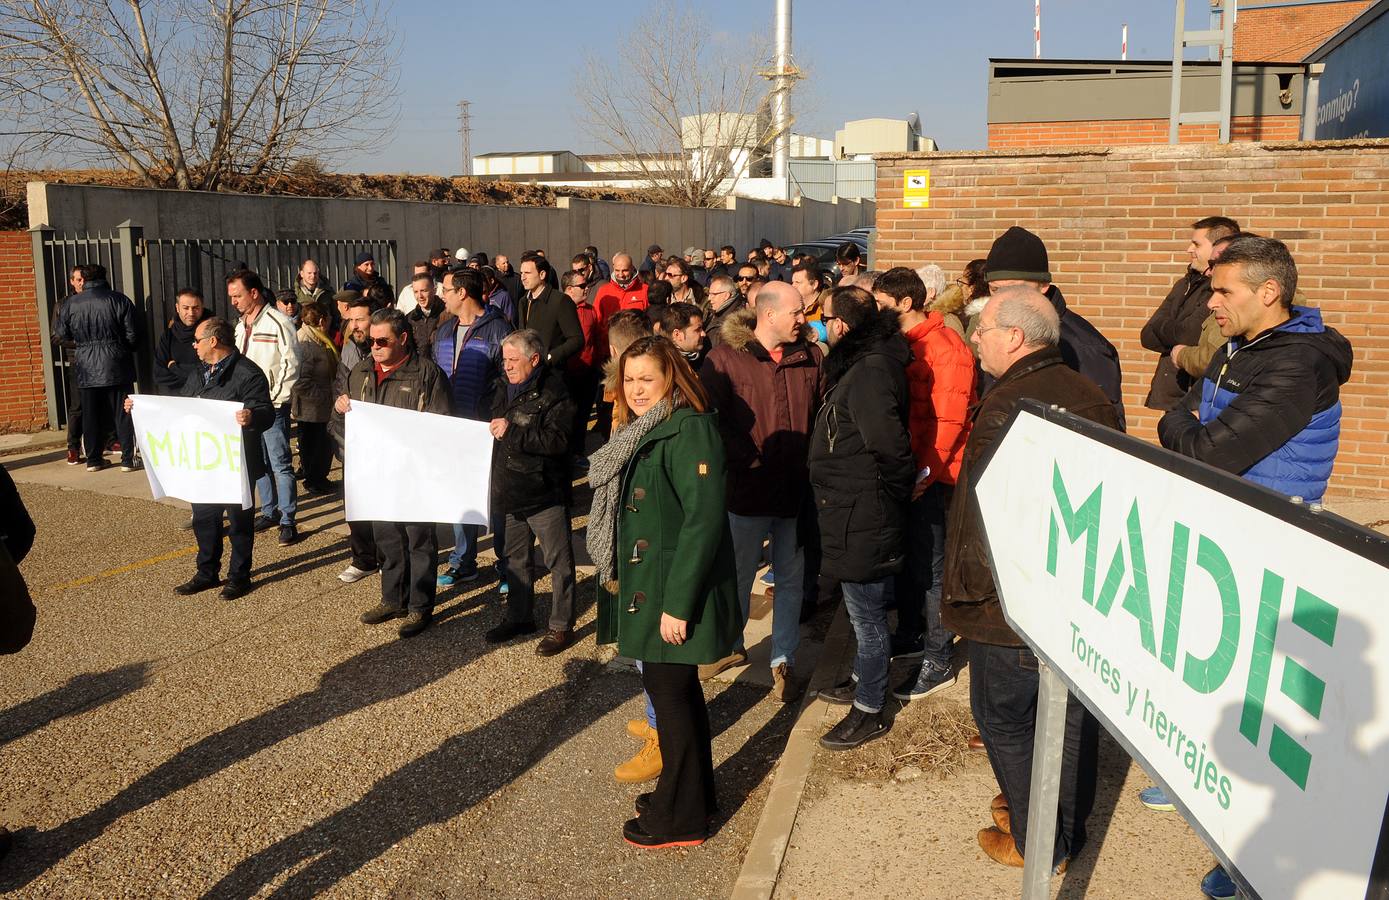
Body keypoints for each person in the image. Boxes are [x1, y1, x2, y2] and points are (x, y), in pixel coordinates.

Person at [944, 284, 1119, 871]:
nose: (974, 340)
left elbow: (988, 515)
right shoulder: (1087, 393)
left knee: (1005, 719)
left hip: (1009, 601)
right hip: (1070, 590)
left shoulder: (1010, 404)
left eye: (983, 330)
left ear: (1015, 337)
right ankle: (1055, 820)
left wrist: (974, 599)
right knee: (1067, 715)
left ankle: (1039, 840)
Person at [587, 335, 740, 849]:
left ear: (670, 377)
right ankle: (691, 797)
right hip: (650, 584)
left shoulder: (690, 429)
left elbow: (702, 521)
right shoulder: (648, 427)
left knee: (670, 695)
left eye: (646, 379)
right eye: (628, 380)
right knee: (677, 694)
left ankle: (680, 819)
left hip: (672, 592)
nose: (636, 389)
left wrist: (678, 606)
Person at [1159, 235, 1352, 504]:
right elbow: (1183, 413)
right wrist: (1185, 421)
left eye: (1224, 292)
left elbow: (1206, 452)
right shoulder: (1236, 347)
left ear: (1268, 292)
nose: (1211, 303)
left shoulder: (1297, 365)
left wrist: (1179, 422)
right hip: (1224, 507)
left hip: (1268, 522)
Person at [699, 281, 821, 701]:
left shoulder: (810, 357)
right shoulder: (724, 359)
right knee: (736, 574)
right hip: (746, 490)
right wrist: (748, 459)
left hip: (794, 491)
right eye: (797, 312)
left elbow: (821, 416)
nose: (803, 320)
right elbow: (709, 418)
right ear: (768, 314)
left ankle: (782, 656)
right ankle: (729, 645)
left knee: (791, 577)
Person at [807, 286, 914, 749]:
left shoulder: (868, 371)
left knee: (868, 618)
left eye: (823, 317)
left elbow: (890, 449)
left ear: (841, 326)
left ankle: (870, 709)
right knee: (858, 615)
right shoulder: (860, 362)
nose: (817, 324)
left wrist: (885, 503)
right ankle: (860, 679)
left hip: (864, 514)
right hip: (853, 509)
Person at [869, 268, 976, 701]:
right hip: (912, 468)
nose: (876, 313)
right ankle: (913, 635)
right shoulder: (905, 345)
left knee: (933, 568)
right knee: (914, 561)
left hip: (936, 475)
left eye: (881, 305)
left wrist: (925, 473)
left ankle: (938, 657)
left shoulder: (946, 348)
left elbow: (948, 420)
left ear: (906, 303)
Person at [130, 316, 274, 600]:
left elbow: (267, 412)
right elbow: (181, 408)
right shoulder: (198, 373)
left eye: (197, 340)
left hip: (236, 463)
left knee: (239, 523)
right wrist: (139, 407)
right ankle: (207, 573)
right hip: (203, 461)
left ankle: (239, 577)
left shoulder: (248, 373)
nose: (193, 346)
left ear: (213, 341)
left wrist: (251, 415)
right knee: (205, 521)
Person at [334, 308, 451, 639]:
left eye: (382, 340)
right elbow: (343, 423)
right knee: (386, 536)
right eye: (371, 340)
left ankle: (420, 605)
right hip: (376, 473)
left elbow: (442, 424)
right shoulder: (361, 372)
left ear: (402, 339)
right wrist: (340, 409)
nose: (375, 346)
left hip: (414, 473)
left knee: (418, 539)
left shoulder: (427, 374)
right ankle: (393, 598)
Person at [484, 330, 578, 655]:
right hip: (508, 488)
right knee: (515, 560)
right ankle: (519, 617)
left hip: (543, 491)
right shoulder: (501, 387)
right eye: (504, 359)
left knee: (558, 562)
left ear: (534, 359)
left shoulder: (556, 392)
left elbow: (559, 442)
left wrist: (514, 432)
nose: (506, 366)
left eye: (513, 360)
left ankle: (561, 625)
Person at [984, 226, 1125, 429]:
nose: (1003, 298)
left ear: (1043, 286)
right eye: (995, 289)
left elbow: (1105, 428)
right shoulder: (993, 332)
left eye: (1015, 287)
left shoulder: (1085, 348)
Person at [434, 269, 513, 587]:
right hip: (453, 428)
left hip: (487, 428)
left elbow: (511, 381)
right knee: (461, 495)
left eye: (447, 289)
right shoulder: (442, 330)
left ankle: (507, 563)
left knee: (497, 496)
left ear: (463, 293)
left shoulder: (500, 330)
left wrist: (500, 417)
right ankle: (463, 562)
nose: (443, 294)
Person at [229, 269, 302, 546]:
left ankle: (288, 520)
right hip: (247, 408)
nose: (234, 301)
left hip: (272, 405)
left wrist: (277, 398)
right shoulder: (240, 324)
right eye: (232, 296)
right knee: (256, 462)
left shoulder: (278, 321)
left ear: (254, 293)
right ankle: (269, 511)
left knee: (280, 463)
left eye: (238, 295)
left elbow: (292, 361)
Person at [1141, 216, 1240, 411]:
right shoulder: (1184, 284)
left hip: (1197, 397)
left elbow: (1190, 333)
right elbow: (1147, 335)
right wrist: (1175, 330)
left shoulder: (1217, 289)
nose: (1189, 249)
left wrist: (1167, 328)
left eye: (1196, 244)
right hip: (1171, 392)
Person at [54, 263, 139, 473]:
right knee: (124, 411)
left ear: (85, 279)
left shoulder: (70, 303)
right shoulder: (119, 300)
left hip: (85, 364)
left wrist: (84, 343)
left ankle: (93, 459)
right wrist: (120, 348)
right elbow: (133, 335)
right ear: (104, 277)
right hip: (116, 363)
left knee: (90, 414)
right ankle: (128, 459)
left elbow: (61, 335)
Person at [333, 295, 380, 584]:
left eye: (360, 319)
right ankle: (363, 559)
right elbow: (340, 385)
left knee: (384, 502)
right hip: (354, 438)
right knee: (356, 500)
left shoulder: (391, 348)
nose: (355, 325)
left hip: (382, 441)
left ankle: (389, 557)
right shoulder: (349, 350)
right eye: (351, 320)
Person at [293, 303, 338, 494]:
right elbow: (300, 381)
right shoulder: (306, 343)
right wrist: (324, 397)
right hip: (311, 408)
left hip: (320, 406)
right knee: (314, 446)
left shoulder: (318, 339)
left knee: (321, 445)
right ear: (322, 320)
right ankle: (314, 480)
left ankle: (319, 478)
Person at [561, 269, 603, 461]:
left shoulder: (590, 310)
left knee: (583, 414)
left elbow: (595, 339)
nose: (587, 289)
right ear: (569, 290)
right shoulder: (559, 311)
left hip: (588, 373)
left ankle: (578, 452)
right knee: (567, 416)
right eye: (582, 286)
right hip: (566, 374)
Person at [517, 254, 584, 369]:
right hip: (530, 372)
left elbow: (576, 339)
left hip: (553, 376)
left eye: (527, 273)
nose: (523, 277)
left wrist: (550, 357)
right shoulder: (523, 302)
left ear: (542, 274)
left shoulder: (560, 301)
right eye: (521, 273)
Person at [153, 289, 211, 395]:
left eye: (195, 308)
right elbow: (159, 375)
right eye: (185, 308)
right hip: (175, 400)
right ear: (177, 308)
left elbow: (211, 373)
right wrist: (194, 375)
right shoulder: (168, 336)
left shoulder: (214, 332)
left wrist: (174, 368)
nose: (191, 313)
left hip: (205, 399)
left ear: (202, 307)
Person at [654, 302, 706, 368]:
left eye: (702, 328)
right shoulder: (668, 367)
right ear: (677, 334)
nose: (704, 334)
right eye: (698, 329)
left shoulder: (696, 357)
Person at [405, 270, 446, 354]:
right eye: (416, 292)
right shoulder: (409, 319)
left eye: (423, 291)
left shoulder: (447, 314)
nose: (420, 296)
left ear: (434, 290)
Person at [703, 274, 745, 347]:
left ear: (726, 295)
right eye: (709, 294)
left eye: (714, 294)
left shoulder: (735, 320)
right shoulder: (712, 311)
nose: (709, 298)